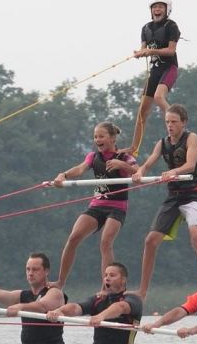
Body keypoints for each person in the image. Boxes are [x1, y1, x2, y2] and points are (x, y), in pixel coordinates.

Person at [131, 103, 197, 299]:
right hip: (173, 198)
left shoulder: (192, 138)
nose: (170, 125)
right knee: (150, 241)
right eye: (167, 122)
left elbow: (191, 165)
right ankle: (142, 291)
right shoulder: (162, 143)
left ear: (184, 123)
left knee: (196, 237)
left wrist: (173, 172)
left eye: (174, 122)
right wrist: (139, 173)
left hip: (192, 195)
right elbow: (148, 164)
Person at [51, 122, 138, 289]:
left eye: (101, 136)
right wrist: (64, 175)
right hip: (97, 205)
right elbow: (80, 169)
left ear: (112, 138)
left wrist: (123, 166)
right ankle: (60, 282)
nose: (97, 139)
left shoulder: (125, 157)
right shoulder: (93, 157)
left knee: (105, 242)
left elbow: (139, 172)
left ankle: (106, 288)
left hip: (117, 207)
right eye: (95, 136)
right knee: (74, 237)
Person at [124, 0, 181, 156]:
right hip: (155, 70)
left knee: (158, 97)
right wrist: (140, 53)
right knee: (142, 110)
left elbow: (171, 51)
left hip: (169, 67)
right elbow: (143, 49)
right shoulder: (146, 28)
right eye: (154, 7)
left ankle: (178, 129)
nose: (157, 9)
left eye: (160, 7)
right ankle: (133, 149)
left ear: (167, 9)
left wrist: (151, 51)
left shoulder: (172, 26)